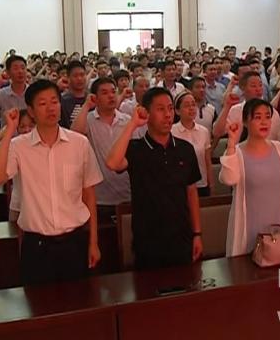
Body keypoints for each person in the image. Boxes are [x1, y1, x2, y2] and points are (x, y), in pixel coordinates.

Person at [0, 80, 103, 285]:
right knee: (38, 303)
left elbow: (89, 195)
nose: (51, 108)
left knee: (79, 301)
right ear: (31, 111)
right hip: (37, 246)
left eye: (54, 101)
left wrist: (93, 242)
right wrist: (10, 130)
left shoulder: (79, 143)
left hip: (75, 242)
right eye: (42, 103)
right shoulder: (19, 146)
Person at [106, 87, 203, 270]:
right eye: (160, 109)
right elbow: (112, 163)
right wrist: (133, 124)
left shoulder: (185, 149)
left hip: (181, 236)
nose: (167, 115)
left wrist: (197, 233)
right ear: (147, 113)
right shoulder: (136, 149)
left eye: (170, 108)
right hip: (147, 240)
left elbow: (191, 192)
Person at [219, 99, 280, 256]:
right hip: (248, 227)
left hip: (278, 223)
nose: (264, 122)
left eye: (267, 117)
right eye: (257, 117)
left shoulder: (279, 148)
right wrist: (231, 143)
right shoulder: (237, 152)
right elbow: (229, 179)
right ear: (245, 121)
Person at [71, 78, 132, 217]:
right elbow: (74, 135)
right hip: (100, 196)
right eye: (104, 93)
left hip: (127, 192)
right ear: (95, 97)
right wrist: (86, 105)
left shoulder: (127, 120)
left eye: (113, 92)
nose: (111, 96)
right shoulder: (88, 120)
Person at [0, 109, 35, 222]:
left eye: (31, 126)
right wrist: (5, 131)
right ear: (17, 129)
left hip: (38, 206)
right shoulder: (13, 146)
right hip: (18, 206)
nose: (27, 130)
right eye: (22, 126)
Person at [213, 72, 280, 142]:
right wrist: (227, 107)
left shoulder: (272, 112)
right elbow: (217, 133)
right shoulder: (235, 110)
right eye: (253, 86)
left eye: (260, 85)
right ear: (242, 88)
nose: (258, 89)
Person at [172, 92, 213, 197]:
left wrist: (210, 184)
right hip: (180, 185)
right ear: (177, 111)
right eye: (186, 105)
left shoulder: (204, 131)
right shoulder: (171, 132)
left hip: (202, 184)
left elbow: (207, 161)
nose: (191, 108)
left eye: (193, 104)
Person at [0, 55, 27, 125]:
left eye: (23, 68)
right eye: (16, 68)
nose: (20, 71)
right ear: (8, 72)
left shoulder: (33, 92)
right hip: (8, 131)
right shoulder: (2, 93)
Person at [59, 60, 87, 129]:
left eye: (82, 75)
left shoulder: (92, 99)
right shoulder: (62, 101)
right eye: (75, 76)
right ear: (68, 78)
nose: (79, 78)